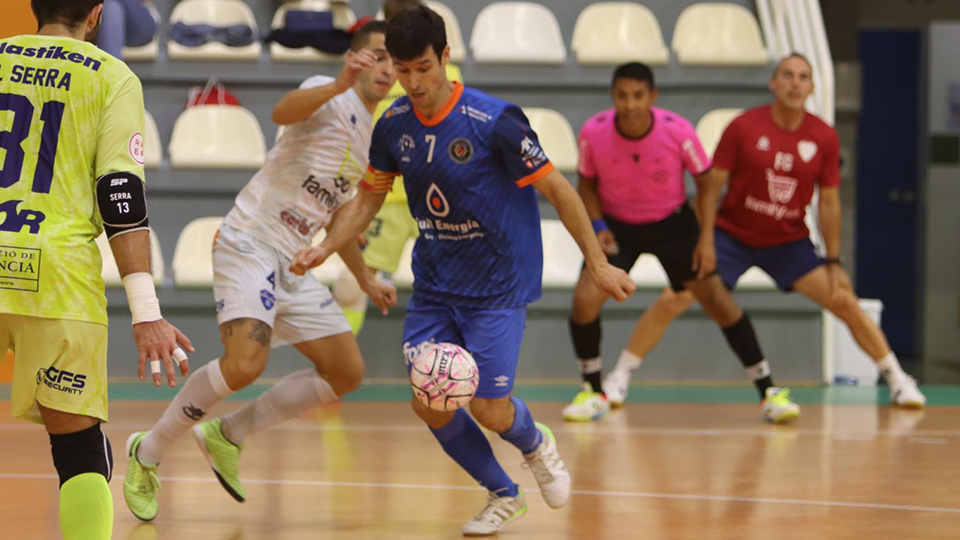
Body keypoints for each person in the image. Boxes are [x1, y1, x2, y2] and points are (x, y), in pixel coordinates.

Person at [290, 6, 635, 535]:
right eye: (402, 71)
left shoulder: (494, 121)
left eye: (423, 68)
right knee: (429, 401)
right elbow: (367, 198)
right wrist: (326, 246)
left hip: (497, 285)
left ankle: (535, 444)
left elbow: (559, 190)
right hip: (434, 286)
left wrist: (598, 262)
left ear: (445, 57)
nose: (412, 82)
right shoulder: (394, 124)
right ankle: (502, 492)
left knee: (489, 410)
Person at [122, 21, 398, 521]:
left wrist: (364, 279)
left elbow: (338, 215)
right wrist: (337, 83)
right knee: (245, 365)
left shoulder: (373, 136)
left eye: (393, 61)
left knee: (346, 371)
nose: (387, 68)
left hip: (293, 262)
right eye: (378, 56)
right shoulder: (324, 90)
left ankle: (229, 434)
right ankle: (148, 451)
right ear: (357, 57)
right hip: (250, 240)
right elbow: (280, 111)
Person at [601, 53, 926, 410]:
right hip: (731, 237)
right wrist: (704, 240)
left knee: (843, 299)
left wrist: (833, 260)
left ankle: (898, 380)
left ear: (811, 87)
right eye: (787, 75)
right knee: (673, 298)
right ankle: (620, 377)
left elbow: (829, 202)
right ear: (773, 83)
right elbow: (711, 187)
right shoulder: (743, 127)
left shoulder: (824, 137)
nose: (794, 83)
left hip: (788, 242)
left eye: (803, 77)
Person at [0, 1, 193, 539]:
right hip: (57, 279)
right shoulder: (111, 77)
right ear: (98, 14)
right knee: (79, 449)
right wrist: (146, 312)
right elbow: (120, 192)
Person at [563, 62, 800, 424]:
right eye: (622, 96)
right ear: (613, 97)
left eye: (638, 95)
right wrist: (597, 225)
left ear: (652, 97)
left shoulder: (678, 131)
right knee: (583, 301)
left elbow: (706, 185)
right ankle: (592, 390)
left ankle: (769, 391)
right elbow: (587, 184)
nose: (630, 104)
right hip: (617, 227)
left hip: (674, 226)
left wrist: (706, 239)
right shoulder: (592, 132)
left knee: (719, 302)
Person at [334, 0, 463, 335]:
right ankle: (335, 371)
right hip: (382, 199)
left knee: (459, 288)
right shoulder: (372, 69)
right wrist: (350, 202)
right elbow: (353, 131)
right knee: (350, 284)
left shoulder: (445, 70)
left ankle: (466, 373)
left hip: (438, 200)